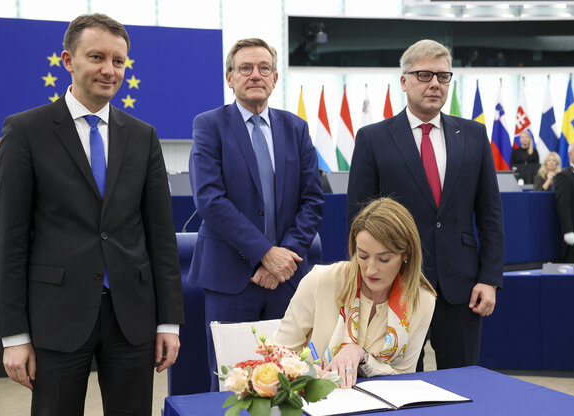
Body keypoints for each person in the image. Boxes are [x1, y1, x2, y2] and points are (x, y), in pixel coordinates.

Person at [0, 14, 184, 416]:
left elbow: (162, 237)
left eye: (119, 60)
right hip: (56, 321)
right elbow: (9, 241)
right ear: (68, 61)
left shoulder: (142, 135)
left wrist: (169, 321)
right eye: (97, 57)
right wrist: (14, 336)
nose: (110, 69)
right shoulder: (27, 130)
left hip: (132, 319)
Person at [347, 39, 504, 370]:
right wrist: (366, 283)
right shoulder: (373, 138)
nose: (434, 83)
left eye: (443, 76)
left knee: (464, 384)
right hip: (397, 285)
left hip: (462, 287)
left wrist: (489, 279)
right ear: (403, 81)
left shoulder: (474, 135)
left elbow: (490, 214)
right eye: (424, 75)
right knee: (397, 386)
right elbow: (358, 221)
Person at [188, 37, 324, 391]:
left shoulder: (296, 128)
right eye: (245, 68)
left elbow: (312, 199)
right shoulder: (209, 125)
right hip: (231, 280)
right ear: (229, 78)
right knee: (231, 382)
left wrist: (284, 257)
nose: (255, 75)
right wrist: (266, 254)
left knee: (290, 379)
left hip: (288, 279)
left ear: (275, 79)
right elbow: (210, 200)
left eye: (264, 68)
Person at [274, 198, 436, 388]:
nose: (370, 270)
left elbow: (404, 377)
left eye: (384, 259)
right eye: (363, 256)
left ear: (407, 254)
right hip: (315, 401)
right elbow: (277, 354)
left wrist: (361, 355)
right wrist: (307, 372)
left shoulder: (422, 300)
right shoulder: (320, 281)